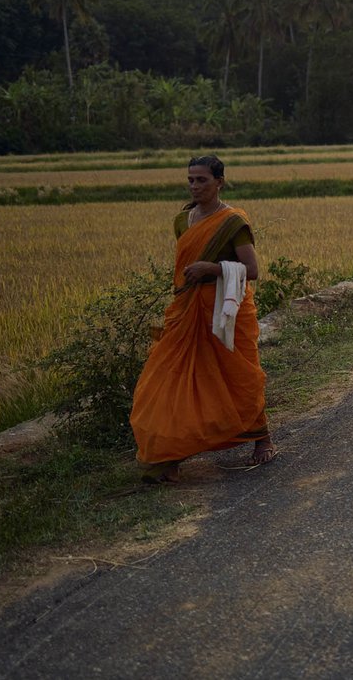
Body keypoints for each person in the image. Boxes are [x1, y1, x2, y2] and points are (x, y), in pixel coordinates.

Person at [130, 155, 275, 483]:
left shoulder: (233, 222)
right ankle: (171, 455)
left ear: (220, 182)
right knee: (170, 378)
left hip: (224, 312)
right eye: (191, 180)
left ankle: (261, 437)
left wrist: (212, 269)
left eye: (202, 180)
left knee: (238, 374)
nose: (195, 186)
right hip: (187, 311)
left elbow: (251, 270)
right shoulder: (183, 220)